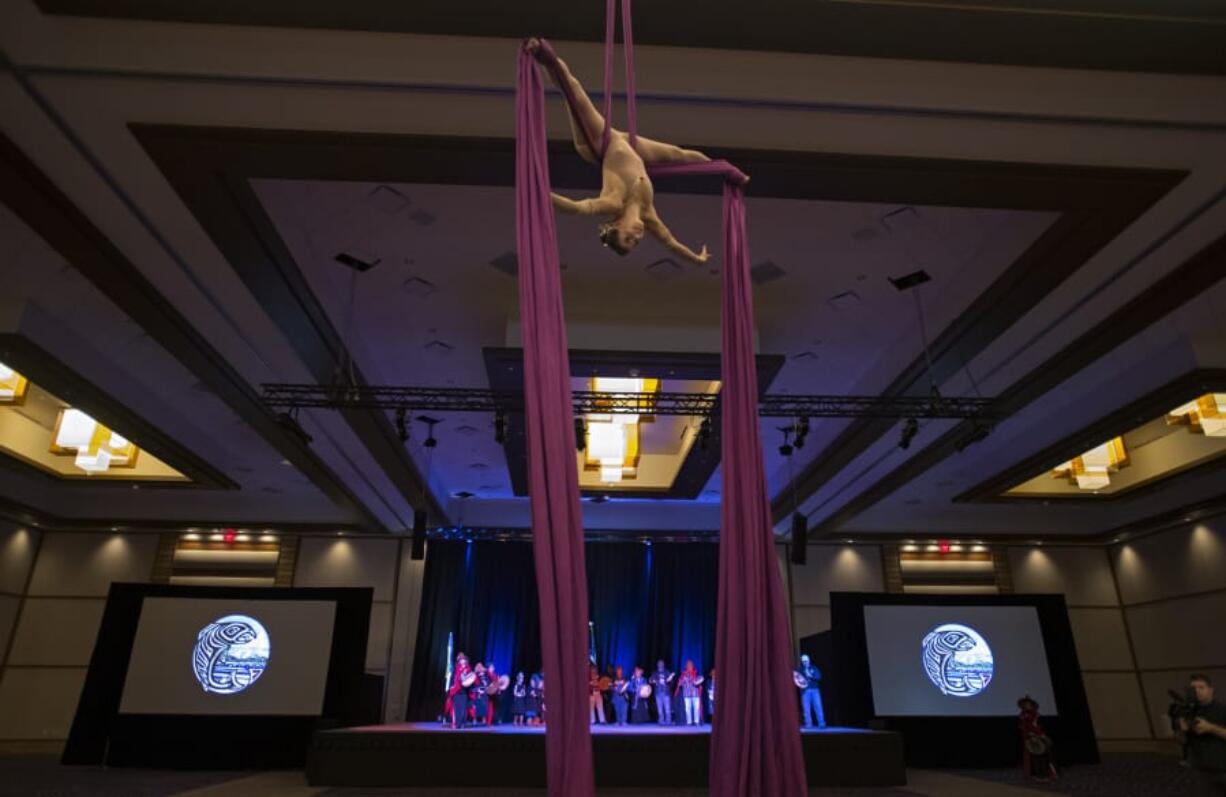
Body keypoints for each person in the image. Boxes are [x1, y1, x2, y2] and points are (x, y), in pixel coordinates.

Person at [525, 38, 715, 264]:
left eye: (628, 237)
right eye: (635, 242)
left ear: (616, 224)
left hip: (599, 146)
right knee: (678, 154)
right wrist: (697, 259)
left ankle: (542, 54)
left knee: (573, 91)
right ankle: (720, 167)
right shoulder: (648, 215)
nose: (637, 236)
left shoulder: (613, 203)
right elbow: (671, 244)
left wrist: (542, 195)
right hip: (628, 146)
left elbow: (576, 208)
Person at [1181, 674, 1226, 796]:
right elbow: (1182, 742)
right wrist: (1183, 730)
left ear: (1211, 690)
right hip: (1201, 770)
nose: (1197, 691)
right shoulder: (1187, 712)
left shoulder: (1223, 710)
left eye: (1201, 687)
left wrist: (1211, 728)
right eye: (1193, 688)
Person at [1017, 696, 1058, 781]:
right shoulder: (1023, 715)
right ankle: (1038, 774)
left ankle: (1048, 774)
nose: (1027, 706)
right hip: (1029, 737)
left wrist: (1041, 735)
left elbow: (1036, 726)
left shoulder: (1034, 714)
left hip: (1037, 736)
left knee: (1043, 756)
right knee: (1034, 757)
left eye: (1028, 704)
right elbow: (1024, 726)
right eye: (1025, 704)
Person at [795, 654, 826, 729]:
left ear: (809, 661)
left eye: (806, 661)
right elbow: (796, 678)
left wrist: (811, 675)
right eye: (803, 661)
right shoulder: (799, 670)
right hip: (805, 691)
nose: (804, 662)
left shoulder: (814, 668)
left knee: (818, 706)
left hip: (815, 690)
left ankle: (821, 723)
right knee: (806, 708)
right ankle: (808, 724)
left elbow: (819, 677)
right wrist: (800, 682)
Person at [447, 653, 473, 729]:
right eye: (461, 659)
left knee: (463, 708)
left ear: (466, 660)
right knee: (456, 708)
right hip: (456, 691)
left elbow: (470, 679)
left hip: (464, 691)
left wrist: (465, 673)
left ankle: (462, 723)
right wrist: (451, 687)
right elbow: (454, 679)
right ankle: (456, 723)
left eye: (463, 659)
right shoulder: (456, 668)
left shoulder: (468, 669)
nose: (462, 660)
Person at [676, 659, 704, 726]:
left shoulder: (696, 672)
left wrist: (699, 681)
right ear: (686, 666)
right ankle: (689, 722)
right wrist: (680, 683)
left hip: (695, 694)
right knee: (688, 709)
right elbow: (680, 683)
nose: (689, 666)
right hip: (687, 694)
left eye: (691, 665)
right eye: (688, 665)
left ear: (693, 665)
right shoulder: (683, 674)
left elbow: (701, 679)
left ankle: (696, 721)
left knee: (696, 708)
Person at [650, 659, 675, 725]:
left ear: (663, 664)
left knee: (667, 708)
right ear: (657, 665)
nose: (660, 664)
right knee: (659, 708)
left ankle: (668, 721)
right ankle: (661, 721)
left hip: (666, 693)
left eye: (661, 663)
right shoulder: (655, 673)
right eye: (659, 663)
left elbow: (671, 682)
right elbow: (650, 680)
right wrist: (655, 681)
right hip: (658, 693)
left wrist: (670, 679)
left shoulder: (667, 672)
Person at [469, 662, 491, 727]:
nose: (481, 671)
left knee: (484, 707)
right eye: (479, 670)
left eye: (481, 669)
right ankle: (474, 720)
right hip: (477, 694)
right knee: (475, 708)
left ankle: (483, 721)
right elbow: (471, 687)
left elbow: (489, 686)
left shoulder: (486, 677)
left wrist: (485, 690)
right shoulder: (474, 677)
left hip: (484, 695)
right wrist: (477, 690)